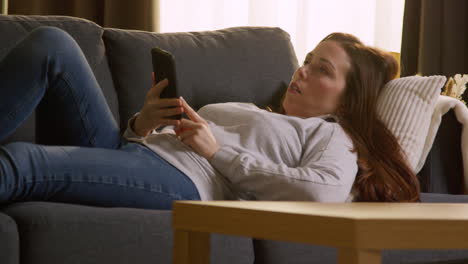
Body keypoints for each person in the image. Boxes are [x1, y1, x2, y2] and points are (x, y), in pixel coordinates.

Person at [0, 26, 420, 210]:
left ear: (347, 102)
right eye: (307, 60)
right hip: (142, 150)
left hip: (188, 181)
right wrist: (143, 122)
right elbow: (149, 140)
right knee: (52, 44)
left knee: (24, 162)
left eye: (322, 70)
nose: (303, 70)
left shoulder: (334, 136)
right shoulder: (255, 110)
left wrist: (217, 152)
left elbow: (322, 193)